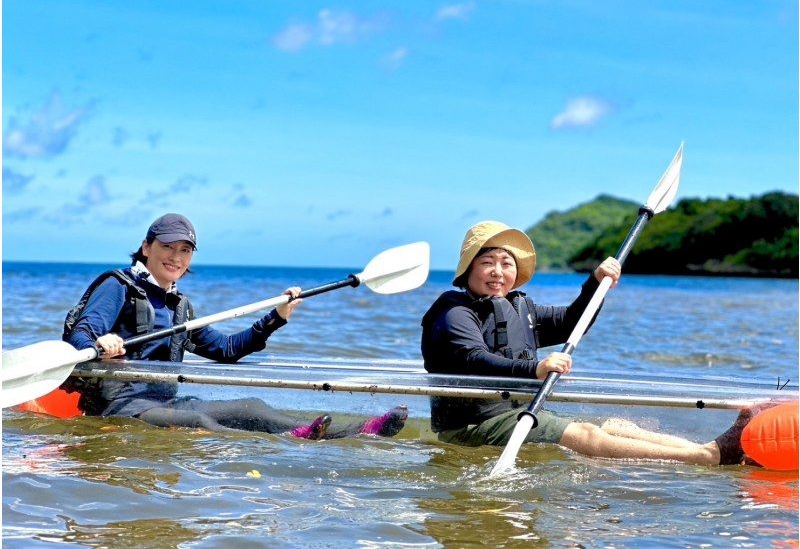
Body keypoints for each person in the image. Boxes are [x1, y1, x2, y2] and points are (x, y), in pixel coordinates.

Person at [420, 220, 752, 466]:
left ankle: (710, 448)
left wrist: (594, 284)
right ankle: (708, 458)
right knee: (586, 436)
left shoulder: (520, 306)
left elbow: (571, 322)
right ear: (469, 270)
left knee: (615, 426)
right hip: (472, 426)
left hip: (518, 412)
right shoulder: (453, 312)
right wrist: (535, 368)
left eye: (506, 264)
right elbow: (473, 359)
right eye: (486, 262)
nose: (497, 271)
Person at [64, 213, 407, 440]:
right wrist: (101, 343)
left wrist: (277, 316)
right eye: (167, 247)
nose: (176, 257)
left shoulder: (179, 305)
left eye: (185, 250)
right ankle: (267, 450)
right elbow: (82, 334)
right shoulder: (117, 286)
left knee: (253, 408)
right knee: (199, 424)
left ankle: (358, 431)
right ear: (146, 247)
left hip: (164, 404)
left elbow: (226, 350)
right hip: (120, 408)